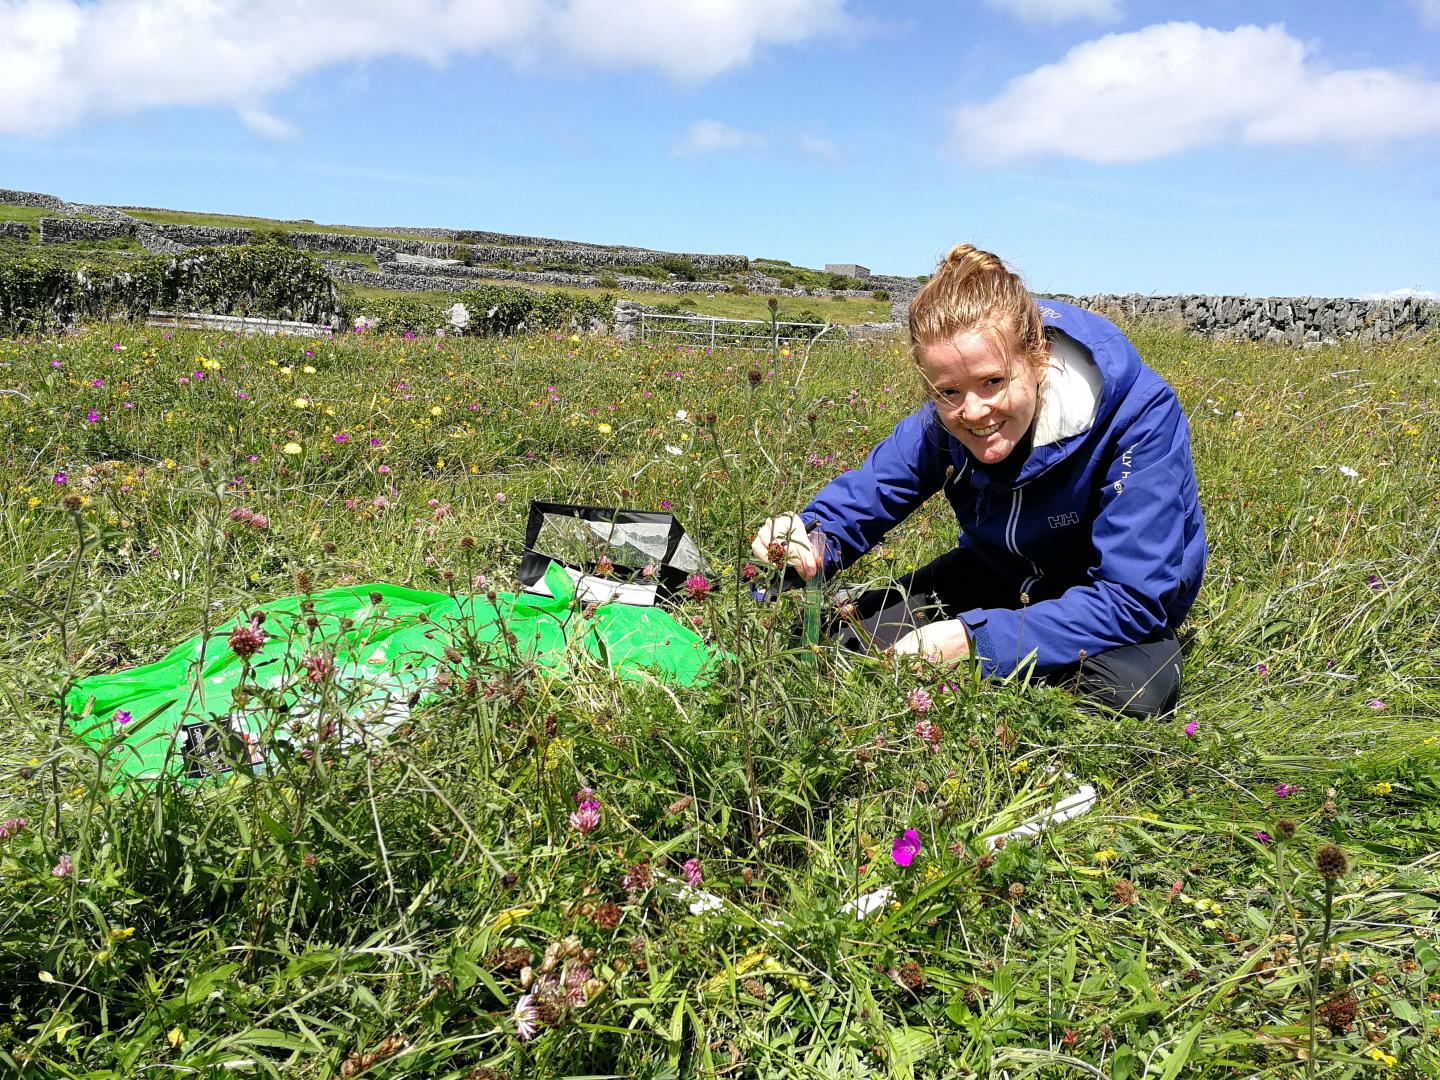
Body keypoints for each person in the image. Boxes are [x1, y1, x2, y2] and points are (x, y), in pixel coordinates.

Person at [751, 244, 1206, 718]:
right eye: (948, 391)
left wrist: (975, 641)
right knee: (847, 643)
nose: (972, 412)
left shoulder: (1139, 417)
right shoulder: (942, 424)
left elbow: (1133, 597)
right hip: (996, 574)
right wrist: (804, 541)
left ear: (1038, 355)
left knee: (1129, 691)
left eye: (993, 382)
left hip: (1104, 606)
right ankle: (974, 657)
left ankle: (993, 687)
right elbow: (866, 499)